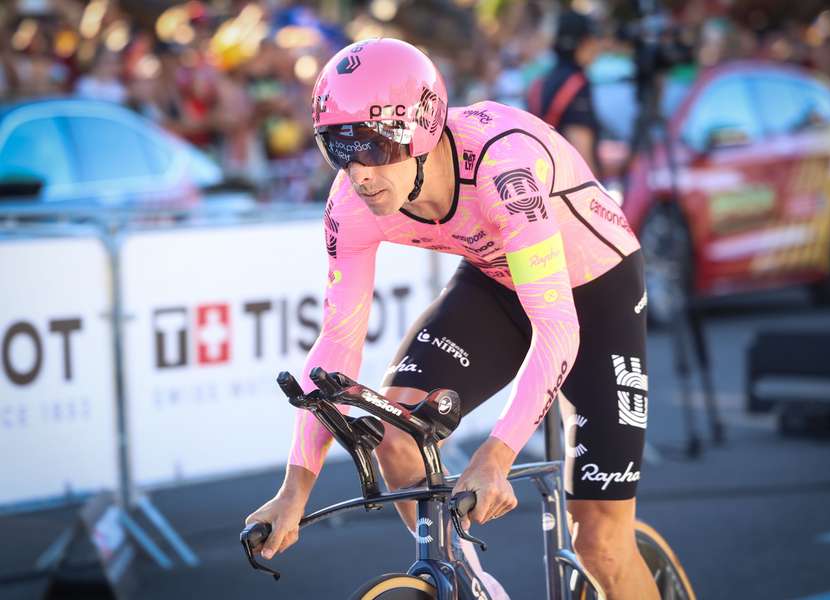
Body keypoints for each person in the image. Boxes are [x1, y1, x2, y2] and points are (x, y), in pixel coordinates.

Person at [246, 38, 658, 599]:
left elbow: (559, 327)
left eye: (373, 147)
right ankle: (476, 588)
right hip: (496, 279)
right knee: (395, 434)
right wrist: (295, 489)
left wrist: (499, 450)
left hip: (595, 289)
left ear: (420, 130)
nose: (358, 173)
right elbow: (337, 343)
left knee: (600, 544)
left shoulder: (500, 170)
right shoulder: (351, 201)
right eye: (337, 149)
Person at [527, 10, 606, 176]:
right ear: (586, 42)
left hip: (541, 180)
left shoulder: (541, 82)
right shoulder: (577, 84)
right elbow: (581, 148)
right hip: (569, 186)